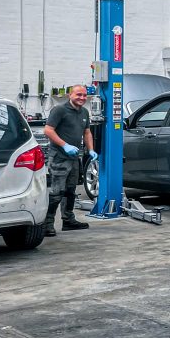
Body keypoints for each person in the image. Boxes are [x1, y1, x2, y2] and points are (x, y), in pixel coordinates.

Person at [42, 85, 97, 236]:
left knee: (70, 191)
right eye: (78, 95)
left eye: (84, 95)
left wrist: (90, 149)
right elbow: (48, 130)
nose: (82, 98)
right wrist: (64, 145)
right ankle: (47, 224)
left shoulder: (84, 112)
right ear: (70, 95)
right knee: (56, 192)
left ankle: (68, 220)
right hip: (59, 157)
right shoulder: (59, 110)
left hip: (74, 158)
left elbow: (87, 132)